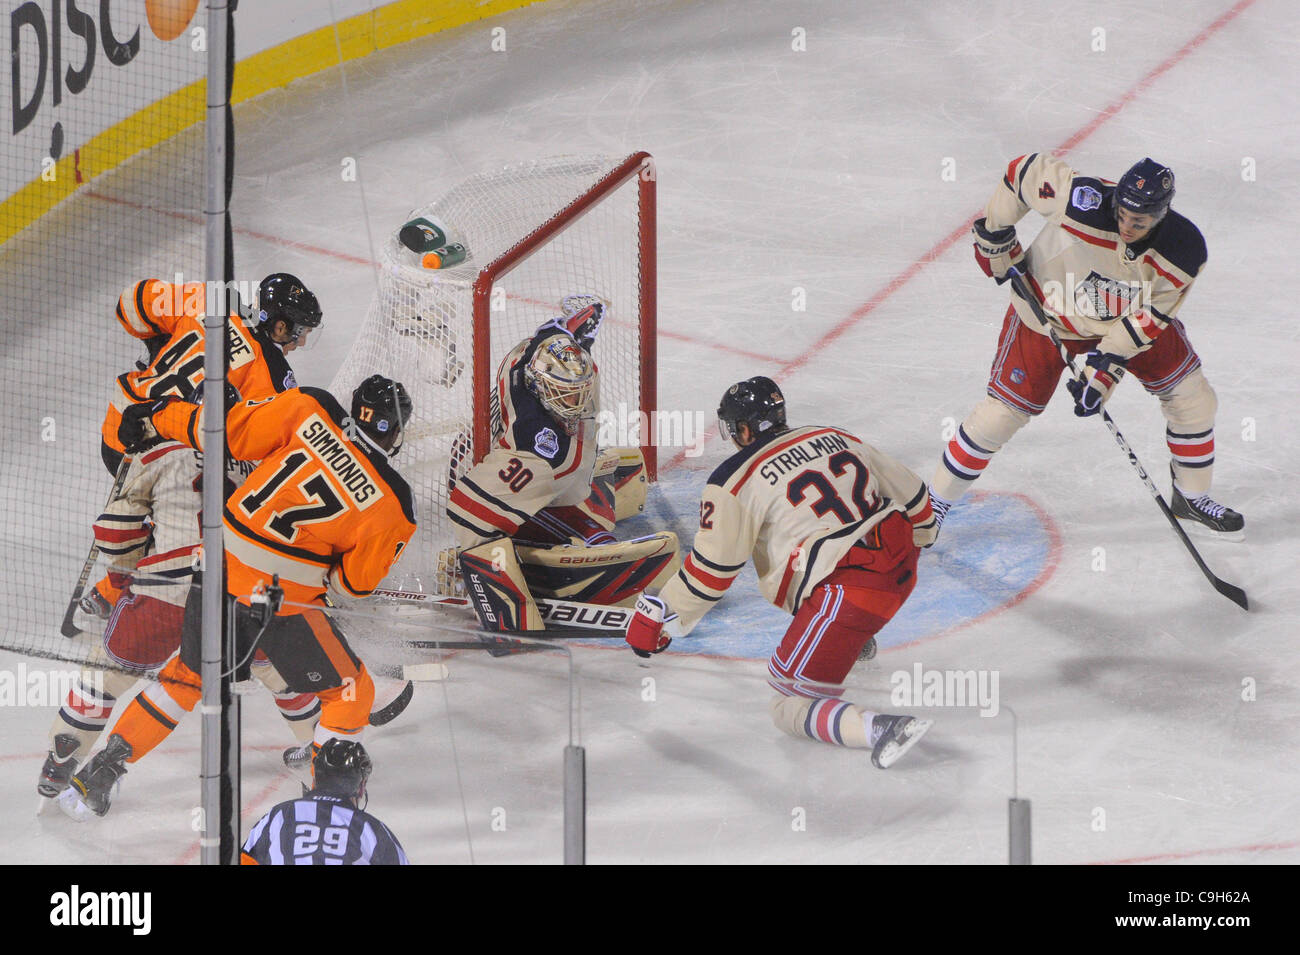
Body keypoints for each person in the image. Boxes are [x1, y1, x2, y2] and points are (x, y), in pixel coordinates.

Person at [58, 376, 416, 819]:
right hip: (283, 603)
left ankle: (100, 771)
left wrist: (156, 414)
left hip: (217, 568)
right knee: (351, 692)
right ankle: (329, 807)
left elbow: (225, 430)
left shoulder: (312, 406)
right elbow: (352, 587)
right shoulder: (396, 503)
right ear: (397, 434)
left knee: (186, 676)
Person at [624, 377, 935, 769]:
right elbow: (918, 499)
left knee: (789, 701)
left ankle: (880, 728)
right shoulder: (833, 435)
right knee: (805, 557)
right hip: (901, 564)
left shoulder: (733, 479)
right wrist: (922, 540)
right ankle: (853, 640)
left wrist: (662, 619)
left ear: (744, 430)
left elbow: (712, 573)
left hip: (849, 593)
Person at [929, 155, 1242, 541]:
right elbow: (1022, 172)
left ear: (1161, 215)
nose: (1127, 226)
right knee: (1000, 414)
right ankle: (934, 505)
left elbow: (1148, 319)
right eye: (1123, 214)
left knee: (1194, 398)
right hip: (1048, 311)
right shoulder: (1082, 200)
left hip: (1123, 321)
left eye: (1139, 222)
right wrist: (996, 234)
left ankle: (1192, 496)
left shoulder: (1184, 251)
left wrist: (1102, 372)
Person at [39, 386, 318, 803]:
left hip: (163, 592)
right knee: (278, 669)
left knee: (108, 671)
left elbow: (114, 533)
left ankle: (64, 754)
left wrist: (120, 580)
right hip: (236, 594)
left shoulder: (158, 453)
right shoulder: (259, 464)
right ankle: (319, 755)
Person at [80, 273, 322, 620]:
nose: (298, 343)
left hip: (118, 431)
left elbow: (130, 305)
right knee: (219, 510)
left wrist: (159, 338)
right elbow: (254, 448)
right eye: (299, 332)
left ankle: (117, 576)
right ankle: (120, 589)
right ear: (280, 327)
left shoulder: (209, 301)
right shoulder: (272, 376)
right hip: (165, 462)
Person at [446, 299, 670, 629]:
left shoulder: (541, 358)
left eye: (578, 392)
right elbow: (468, 509)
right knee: (485, 518)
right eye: (565, 394)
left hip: (514, 455)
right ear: (539, 388)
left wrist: (580, 324)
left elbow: (554, 333)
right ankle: (485, 583)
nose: (576, 402)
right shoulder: (540, 444)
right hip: (491, 469)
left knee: (575, 480)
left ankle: (579, 528)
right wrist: (474, 561)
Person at [240, 739, 409, 865]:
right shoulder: (371, 829)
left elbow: (243, 859)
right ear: (361, 787)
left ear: (316, 777)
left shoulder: (279, 815)